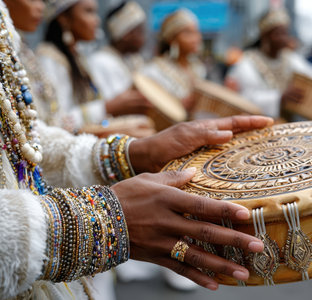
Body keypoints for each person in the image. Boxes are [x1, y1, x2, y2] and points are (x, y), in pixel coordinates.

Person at [0, 2, 274, 299]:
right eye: (89, 11)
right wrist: (102, 221)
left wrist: (129, 153)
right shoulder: (65, 58)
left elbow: (23, 137)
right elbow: (55, 121)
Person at [37, 0, 152, 133]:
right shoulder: (49, 58)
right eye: (89, 12)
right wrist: (108, 107)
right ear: (64, 18)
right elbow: (57, 121)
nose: (96, 20)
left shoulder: (77, 58)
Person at [226, 9, 312, 119]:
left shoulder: (290, 58)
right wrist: (279, 98)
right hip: (257, 125)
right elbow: (243, 99)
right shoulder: (246, 63)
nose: (284, 39)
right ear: (265, 36)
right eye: (278, 34)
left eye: (285, 33)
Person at [141, 9, 206, 111]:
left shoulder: (198, 69)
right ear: (172, 39)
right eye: (188, 33)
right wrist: (177, 105)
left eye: (196, 31)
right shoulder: (153, 71)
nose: (196, 38)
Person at [88, 1, 146, 101]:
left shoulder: (133, 60)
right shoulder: (101, 61)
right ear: (126, 35)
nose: (144, 38)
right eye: (139, 31)